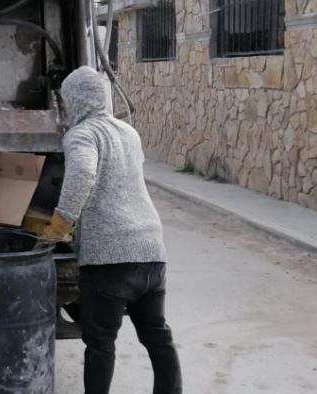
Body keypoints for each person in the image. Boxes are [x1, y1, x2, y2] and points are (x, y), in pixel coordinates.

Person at [48, 66, 182, 394]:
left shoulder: (82, 134)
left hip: (110, 258)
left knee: (101, 344)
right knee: (157, 336)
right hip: (151, 251)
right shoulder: (128, 133)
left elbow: (82, 174)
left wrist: (61, 223)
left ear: (75, 101)